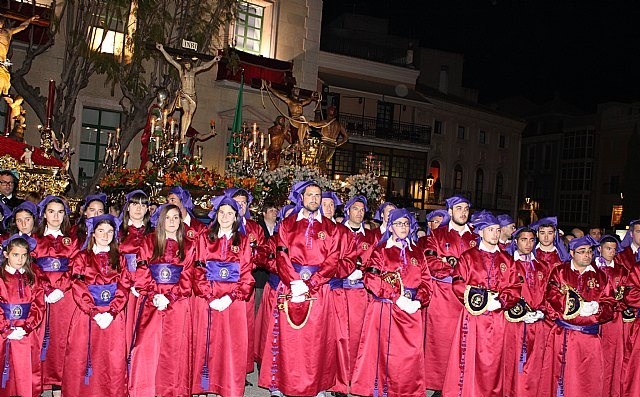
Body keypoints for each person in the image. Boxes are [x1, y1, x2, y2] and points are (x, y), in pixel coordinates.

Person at [258, 181, 341, 397]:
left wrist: (311, 283)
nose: (314, 199)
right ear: (301, 198)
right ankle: (281, 384)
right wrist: (294, 282)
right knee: (288, 339)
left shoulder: (331, 228)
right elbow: (281, 254)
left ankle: (316, 385)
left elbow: (332, 261)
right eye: (310, 195)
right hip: (290, 286)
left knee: (316, 339)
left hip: (318, 290)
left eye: (318, 195)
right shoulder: (287, 224)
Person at [350, 208, 432, 397]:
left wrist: (418, 300)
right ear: (391, 227)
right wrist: (396, 297)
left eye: (406, 223)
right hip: (387, 309)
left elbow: (427, 282)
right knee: (386, 355)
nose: (403, 227)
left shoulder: (417, 253)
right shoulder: (381, 250)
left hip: (411, 312)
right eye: (398, 224)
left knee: (408, 356)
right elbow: (370, 278)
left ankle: (405, 391)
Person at [442, 210, 521, 397]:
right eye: (491, 230)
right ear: (481, 232)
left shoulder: (507, 260)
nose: (495, 233)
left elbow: (515, 286)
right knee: (471, 358)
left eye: (497, 230)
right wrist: (483, 301)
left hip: (498, 319)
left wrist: (501, 301)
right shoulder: (468, 257)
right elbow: (458, 283)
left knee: (495, 361)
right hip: (474, 317)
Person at [128, 204, 196, 397]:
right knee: (145, 347)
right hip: (152, 301)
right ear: (161, 220)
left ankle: (171, 390)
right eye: (168, 218)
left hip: (177, 302)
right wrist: (154, 294)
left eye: (176, 218)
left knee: (174, 349)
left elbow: (188, 275)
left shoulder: (189, 246)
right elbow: (141, 270)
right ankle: (144, 389)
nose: (172, 222)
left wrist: (170, 296)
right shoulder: (149, 242)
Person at [192, 196, 253, 397]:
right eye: (221, 212)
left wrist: (230, 297)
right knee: (205, 342)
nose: (225, 217)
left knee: (230, 346)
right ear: (216, 215)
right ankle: (202, 385)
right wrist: (210, 296)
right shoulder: (204, 238)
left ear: (236, 216)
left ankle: (227, 387)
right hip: (207, 300)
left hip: (232, 303)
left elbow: (246, 274)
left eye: (230, 213)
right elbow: (198, 269)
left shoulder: (243, 242)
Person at [539, 235, 614, 397]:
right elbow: (551, 298)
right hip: (564, 335)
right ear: (572, 253)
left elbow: (610, 304)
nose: (587, 255)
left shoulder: (600, 276)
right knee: (561, 377)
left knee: (587, 380)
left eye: (589, 251)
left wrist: (597, 309)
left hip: (589, 338)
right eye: (582, 252)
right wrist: (575, 307)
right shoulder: (560, 272)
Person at [62, 215, 129, 397]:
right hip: (87, 315)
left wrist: (112, 311)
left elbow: (124, 285)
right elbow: (77, 284)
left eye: (109, 231)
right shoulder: (82, 257)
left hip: (113, 316)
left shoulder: (120, 259)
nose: (105, 235)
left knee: (112, 359)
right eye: (100, 231)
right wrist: (92, 311)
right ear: (93, 234)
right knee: (82, 356)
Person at [422, 195, 476, 395]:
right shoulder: (437, 235)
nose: (463, 212)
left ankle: (462, 382)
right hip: (443, 297)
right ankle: (439, 385)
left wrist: (451, 263)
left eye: (466, 209)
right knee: (441, 342)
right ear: (450, 212)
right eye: (459, 208)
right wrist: (459, 269)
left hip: (468, 298)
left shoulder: (476, 237)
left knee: (466, 341)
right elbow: (430, 262)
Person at [329, 196, 377, 396]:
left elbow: (377, 262)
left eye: (362, 209)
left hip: (361, 293)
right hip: (340, 290)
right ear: (347, 210)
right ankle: (339, 382)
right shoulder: (338, 232)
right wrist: (344, 271)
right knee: (339, 337)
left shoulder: (372, 237)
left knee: (359, 338)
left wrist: (365, 274)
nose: (359, 212)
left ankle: (357, 380)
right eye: (355, 208)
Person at [32, 195, 79, 395]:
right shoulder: (35, 240)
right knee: (41, 339)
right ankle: (39, 383)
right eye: (51, 211)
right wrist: (46, 289)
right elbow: (31, 266)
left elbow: (77, 266)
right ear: (44, 214)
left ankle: (60, 384)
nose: (56, 216)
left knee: (62, 340)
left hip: (65, 297)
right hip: (41, 296)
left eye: (60, 212)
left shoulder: (73, 240)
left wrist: (60, 287)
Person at [503, 227, 551, 397]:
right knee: (513, 363)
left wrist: (542, 311)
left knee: (536, 363)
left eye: (531, 240)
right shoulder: (508, 264)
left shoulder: (543, 266)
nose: (528, 244)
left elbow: (549, 293)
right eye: (524, 239)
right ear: (515, 241)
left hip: (537, 323)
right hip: (514, 324)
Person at [0, 234, 44, 397]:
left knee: (26, 371)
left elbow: (38, 304)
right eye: (15, 255)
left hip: (26, 333)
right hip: (4, 333)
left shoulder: (31, 278)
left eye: (24, 255)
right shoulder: (1, 277)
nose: (20, 259)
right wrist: (6, 329)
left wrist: (27, 326)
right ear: (6, 254)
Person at [155, 43, 221, 143]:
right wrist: (162, 49)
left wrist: (213, 60)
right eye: (185, 63)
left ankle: (184, 133)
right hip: (184, 95)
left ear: (190, 63)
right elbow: (171, 60)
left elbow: (204, 67)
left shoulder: (194, 71)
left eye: (188, 63)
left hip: (193, 95)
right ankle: (182, 135)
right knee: (186, 112)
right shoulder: (181, 70)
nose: (187, 65)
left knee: (190, 115)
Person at [118, 190, 152, 353]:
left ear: (147, 209)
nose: (138, 208)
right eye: (134, 204)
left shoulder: (154, 233)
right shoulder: (117, 232)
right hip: (121, 287)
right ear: (127, 207)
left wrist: (142, 283)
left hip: (146, 288)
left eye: (142, 204)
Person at [596, 235, 627, 397]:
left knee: (612, 356)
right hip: (595, 318)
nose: (611, 252)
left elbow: (624, 296)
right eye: (608, 248)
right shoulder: (593, 268)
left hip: (614, 320)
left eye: (614, 249)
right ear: (599, 249)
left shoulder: (621, 271)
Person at [0, 16, 40, 95]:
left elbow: (22, 27)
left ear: (2, 23)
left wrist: (30, 19)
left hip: (2, 66)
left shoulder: (8, 32)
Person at [315, 106, 348, 173]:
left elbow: (316, 124)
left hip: (324, 143)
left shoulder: (325, 122)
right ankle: (323, 175)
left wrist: (307, 122)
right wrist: (338, 144)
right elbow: (346, 137)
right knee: (325, 162)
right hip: (332, 146)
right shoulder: (339, 125)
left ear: (327, 112)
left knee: (321, 161)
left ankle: (323, 176)